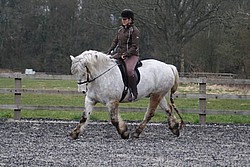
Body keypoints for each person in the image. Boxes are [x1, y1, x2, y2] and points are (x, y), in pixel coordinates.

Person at [107, 9, 140, 101]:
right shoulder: (120, 30)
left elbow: (135, 46)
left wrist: (126, 54)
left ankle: (134, 92)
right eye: (122, 19)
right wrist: (110, 50)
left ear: (130, 20)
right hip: (120, 53)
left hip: (132, 55)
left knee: (129, 71)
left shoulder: (134, 31)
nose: (123, 21)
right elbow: (115, 41)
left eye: (125, 19)